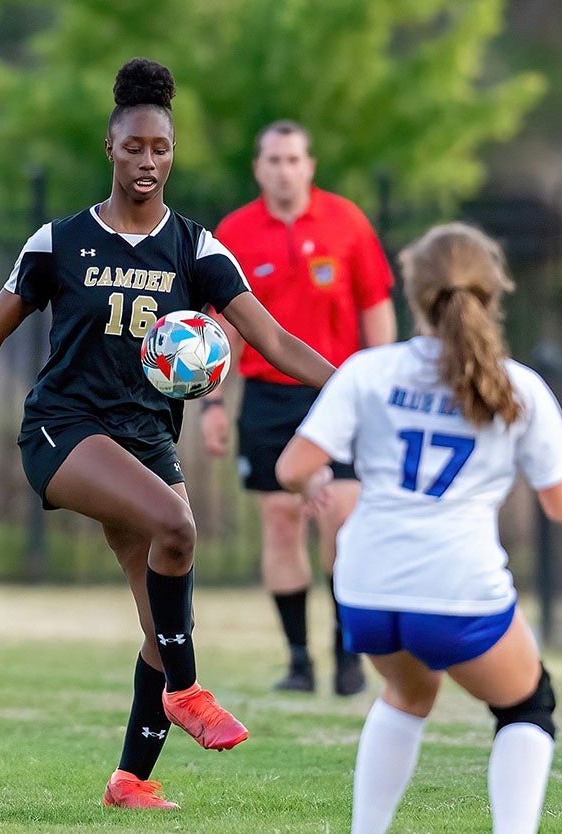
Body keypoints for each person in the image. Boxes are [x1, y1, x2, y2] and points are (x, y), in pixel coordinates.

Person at [0, 58, 337, 812]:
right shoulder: (59, 242)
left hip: (144, 439)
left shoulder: (195, 249)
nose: (147, 162)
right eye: (134, 147)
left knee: (162, 616)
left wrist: (355, 386)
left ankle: (130, 779)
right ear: (110, 148)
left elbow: (271, 339)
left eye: (160, 150)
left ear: (173, 155)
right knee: (177, 523)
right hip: (63, 432)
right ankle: (189, 692)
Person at [274, 222, 562, 834]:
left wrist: (313, 487)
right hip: (455, 585)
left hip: (365, 586)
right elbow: (558, 506)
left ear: (414, 293)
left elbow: (293, 467)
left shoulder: (368, 371)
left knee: (407, 697)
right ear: (493, 293)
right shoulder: (517, 385)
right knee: (528, 707)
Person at [201, 120, 396, 696]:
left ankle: (347, 657)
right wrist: (214, 402)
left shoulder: (347, 223)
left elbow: (375, 305)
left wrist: (379, 382)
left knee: (342, 518)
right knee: (281, 522)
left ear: (310, 165)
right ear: (258, 168)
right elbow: (225, 327)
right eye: (273, 160)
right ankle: (298, 661)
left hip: (341, 390)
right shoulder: (234, 232)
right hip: (267, 397)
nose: (284, 169)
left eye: (294, 159)